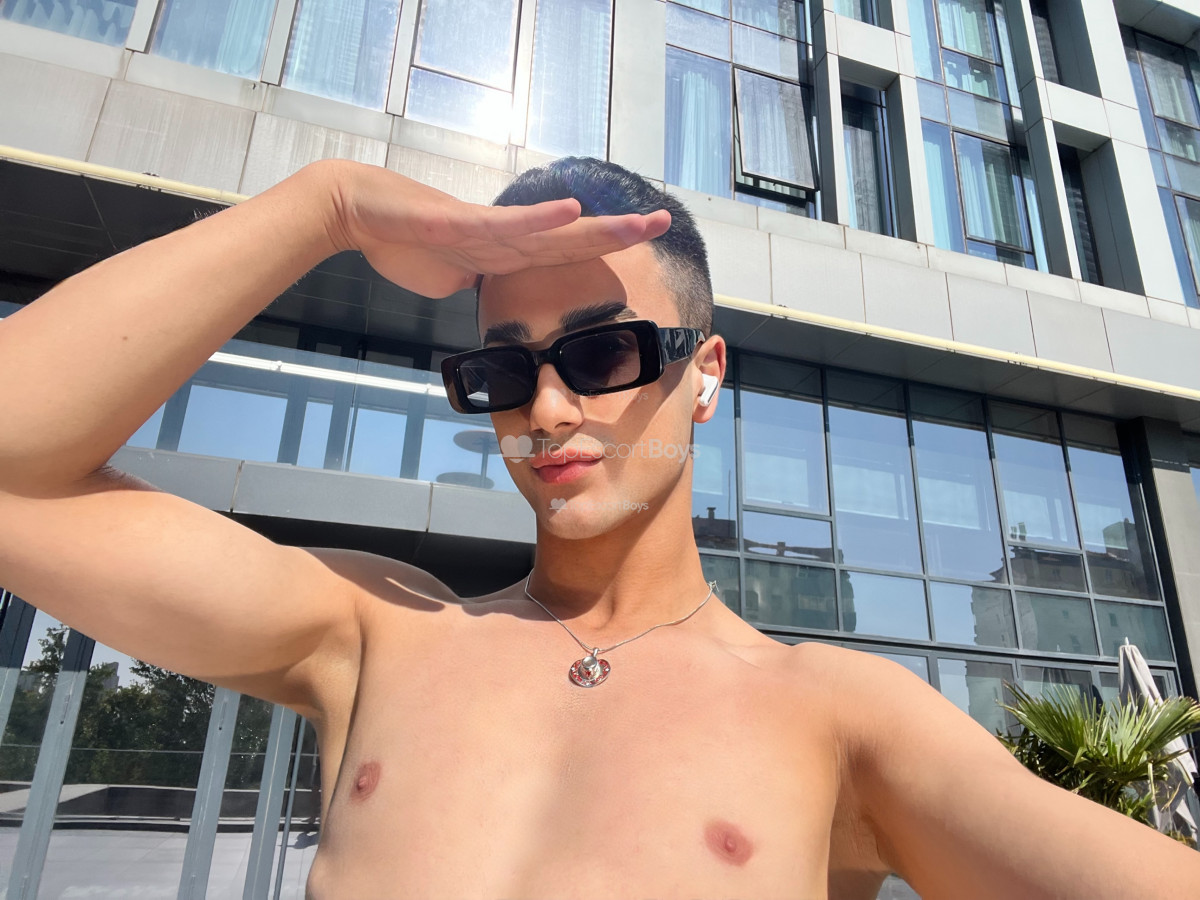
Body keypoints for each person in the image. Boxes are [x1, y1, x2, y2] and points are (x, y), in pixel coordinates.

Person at [0, 155, 1196, 900]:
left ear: (705, 372)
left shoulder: (835, 719)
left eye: (602, 352)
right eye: (502, 371)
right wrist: (327, 206)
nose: (548, 409)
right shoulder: (377, 636)